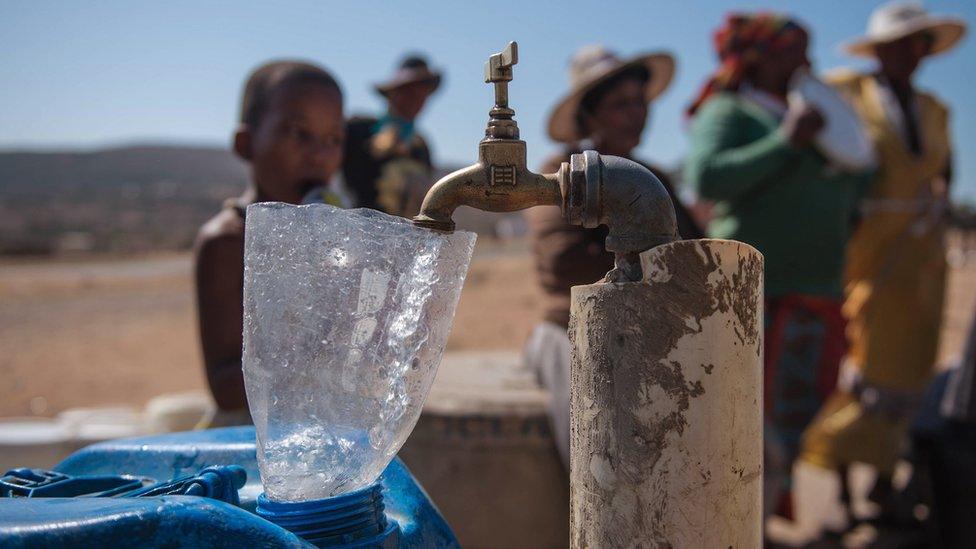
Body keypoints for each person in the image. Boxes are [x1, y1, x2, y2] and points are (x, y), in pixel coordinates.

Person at [683, 13, 873, 517]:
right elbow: (708, 176)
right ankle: (738, 524)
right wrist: (785, 140)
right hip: (751, 300)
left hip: (814, 295)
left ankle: (759, 521)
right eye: (793, 50)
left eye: (808, 50)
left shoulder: (819, 116)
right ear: (757, 57)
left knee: (791, 422)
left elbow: (853, 178)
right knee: (741, 429)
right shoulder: (731, 111)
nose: (806, 62)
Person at [801, 1, 965, 518]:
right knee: (860, 363)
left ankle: (884, 480)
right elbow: (830, 155)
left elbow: (945, 172)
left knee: (911, 367)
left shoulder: (936, 110)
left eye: (916, 44)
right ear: (879, 50)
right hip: (867, 251)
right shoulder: (849, 91)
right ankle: (845, 490)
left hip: (924, 261)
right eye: (897, 45)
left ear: (924, 50)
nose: (908, 54)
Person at [525, 45, 704, 468]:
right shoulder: (564, 171)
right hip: (577, 331)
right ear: (589, 117)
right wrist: (656, 260)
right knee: (602, 457)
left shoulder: (652, 178)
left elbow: (699, 247)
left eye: (640, 102)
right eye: (621, 104)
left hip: (655, 333)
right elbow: (561, 264)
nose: (637, 113)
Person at [194, 61, 345, 425]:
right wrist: (322, 345)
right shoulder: (228, 242)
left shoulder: (332, 238)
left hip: (315, 430)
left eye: (334, 139)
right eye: (298, 133)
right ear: (246, 144)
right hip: (245, 440)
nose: (319, 155)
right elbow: (224, 387)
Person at [342, 54, 441, 217]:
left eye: (421, 93)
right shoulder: (358, 130)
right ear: (392, 93)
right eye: (408, 91)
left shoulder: (420, 147)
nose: (415, 99)